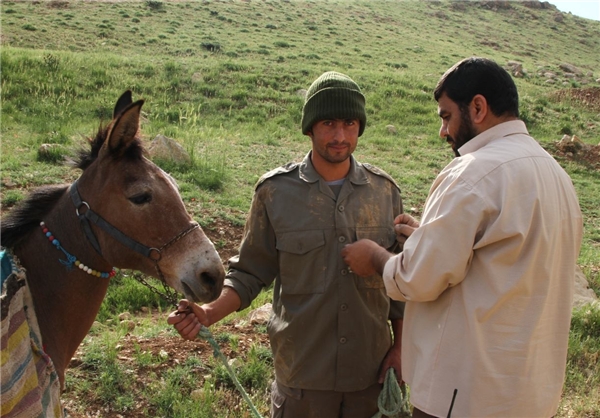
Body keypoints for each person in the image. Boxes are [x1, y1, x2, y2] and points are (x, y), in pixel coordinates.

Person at [342, 57, 583, 418]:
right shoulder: (556, 175)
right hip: (532, 394)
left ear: (478, 107)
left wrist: (376, 256)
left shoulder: (472, 173)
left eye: (446, 116)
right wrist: (428, 238)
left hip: (466, 395)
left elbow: (418, 279)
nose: (443, 131)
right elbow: (506, 263)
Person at [168, 71, 405, 417]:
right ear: (309, 127)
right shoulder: (275, 193)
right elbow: (250, 271)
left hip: (371, 378)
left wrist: (401, 349)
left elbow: (401, 284)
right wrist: (208, 312)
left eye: (350, 123)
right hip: (302, 379)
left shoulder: (385, 193)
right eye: (328, 123)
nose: (340, 136)